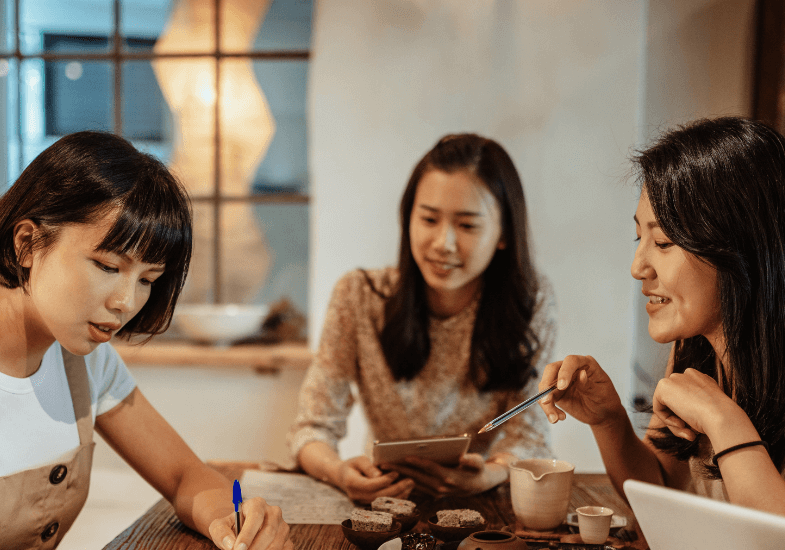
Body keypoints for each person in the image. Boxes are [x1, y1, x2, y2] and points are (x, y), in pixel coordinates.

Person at [0, 131, 294, 550]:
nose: (127, 303)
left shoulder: (85, 359)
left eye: (148, 279)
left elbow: (182, 475)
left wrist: (234, 523)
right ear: (26, 243)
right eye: (108, 266)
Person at [287, 133, 556, 503]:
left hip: (479, 503)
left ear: (504, 234)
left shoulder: (530, 302)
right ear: (408, 218)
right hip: (384, 499)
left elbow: (530, 436)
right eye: (429, 218)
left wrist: (488, 474)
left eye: (467, 225)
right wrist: (338, 472)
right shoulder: (359, 296)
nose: (443, 242)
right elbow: (311, 428)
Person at [538, 116, 785, 516]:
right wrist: (608, 421)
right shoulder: (694, 351)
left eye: (664, 241)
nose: (638, 266)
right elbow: (661, 489)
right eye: (641, 238)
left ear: (742, 248)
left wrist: (723, 422)